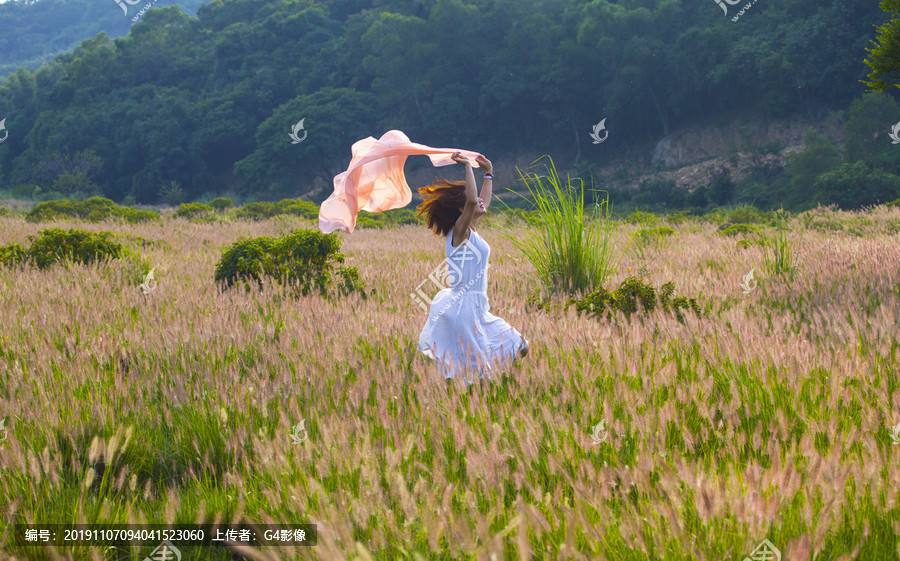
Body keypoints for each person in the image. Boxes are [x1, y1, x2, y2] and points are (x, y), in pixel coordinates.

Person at [416, 152, 528, 381]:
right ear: (462, 211)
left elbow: (480, 202)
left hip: (478, 307)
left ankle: (498, 388)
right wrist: (467, 166)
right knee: (478, 373)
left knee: (520, 346)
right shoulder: (459, 233)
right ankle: (477, 395)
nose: (479, 202)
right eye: (474, 201)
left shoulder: (470, 230)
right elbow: (471, 201)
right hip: (464, 310)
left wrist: (488, 173)